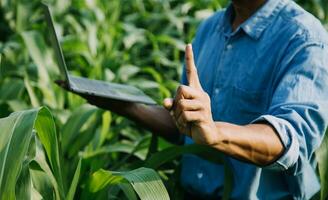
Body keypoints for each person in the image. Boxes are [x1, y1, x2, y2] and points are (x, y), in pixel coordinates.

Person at [58, 0, 328, 199]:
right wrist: (120, 104)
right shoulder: (210, 28)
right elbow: (188, 127)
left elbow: (289, 140)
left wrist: (215, 132)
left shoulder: (302, 36)